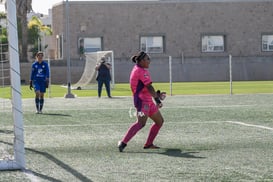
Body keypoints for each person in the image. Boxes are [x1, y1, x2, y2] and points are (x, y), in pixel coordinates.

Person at [118, 51, 165, 152]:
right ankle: (123, 143)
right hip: (142, 102)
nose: (149, 61)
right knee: (140, 123)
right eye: (148, 59)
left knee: (159, 121)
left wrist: (156, 99)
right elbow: (149, 87)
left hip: (148, 102)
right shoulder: (141, 71)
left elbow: (148, 88)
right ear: (142, 60)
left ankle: (148, 144)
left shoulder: (139, 69)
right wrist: (157, 98)